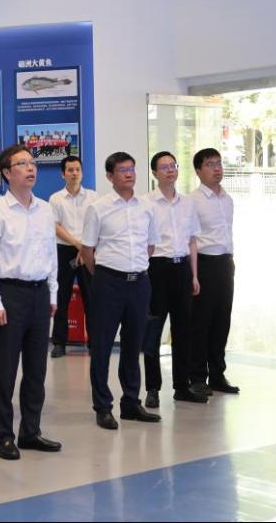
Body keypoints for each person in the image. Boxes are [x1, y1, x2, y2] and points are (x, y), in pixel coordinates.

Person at [0, 145, 61, 460]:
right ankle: (3, 436)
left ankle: (31, 431)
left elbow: (50, 256)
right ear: (6, 173)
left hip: (40, 294)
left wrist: (53, 294)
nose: (30, 168)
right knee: (4, 370)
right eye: (22, 164)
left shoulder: (45, 210)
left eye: (32, 163)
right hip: (9, 295)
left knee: (37, 369)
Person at [80, 152, 160, 430]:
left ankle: (131, 403)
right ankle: (103, 406)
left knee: (133, 344)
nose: (129, 174)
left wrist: (133, 269)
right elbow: (87, 250)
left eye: (132, 169)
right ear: (110, 176)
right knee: (102, 345)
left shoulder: (147, 207)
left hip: (139, 282)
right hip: (108, 282)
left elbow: (150, 246)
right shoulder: (98, 208)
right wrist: (106, 275)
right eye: (123, 170)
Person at [142, 151, 207, 408]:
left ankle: (182, 386)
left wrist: (194, 275)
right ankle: (153, 388)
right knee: (153, 330)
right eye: (164, 167)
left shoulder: (188, 203)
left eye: (173, 165)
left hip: (182, 269)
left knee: (183, 331)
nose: (170, 170)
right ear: (154, 173)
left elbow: (192, 242)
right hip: (157, 269)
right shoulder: (146, 203)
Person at [190, 148, 240, 395]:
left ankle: (217, 375)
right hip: (204, 264)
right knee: (201, 322)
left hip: (225, 263)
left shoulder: (227, 199)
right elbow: (190, 240)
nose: (217, 168)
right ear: (198, 171)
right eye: (210, 164)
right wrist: (193, 274)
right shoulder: (193, 201)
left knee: (222, 320)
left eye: (219, 163)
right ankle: (198, 376)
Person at [48, 155, 96, 357]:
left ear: (82, 172)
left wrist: (85, 247)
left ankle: (94, 342)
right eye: (70, 170)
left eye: (77, 169)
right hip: (65, 250)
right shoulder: (55, 198)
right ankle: (59, 342)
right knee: (62, 297)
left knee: (92, 298)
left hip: (89, 250)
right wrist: (77, 244)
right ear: (63, 174)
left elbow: (96, 224)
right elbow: (55, 226)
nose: (74, 173)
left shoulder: (93, 197)